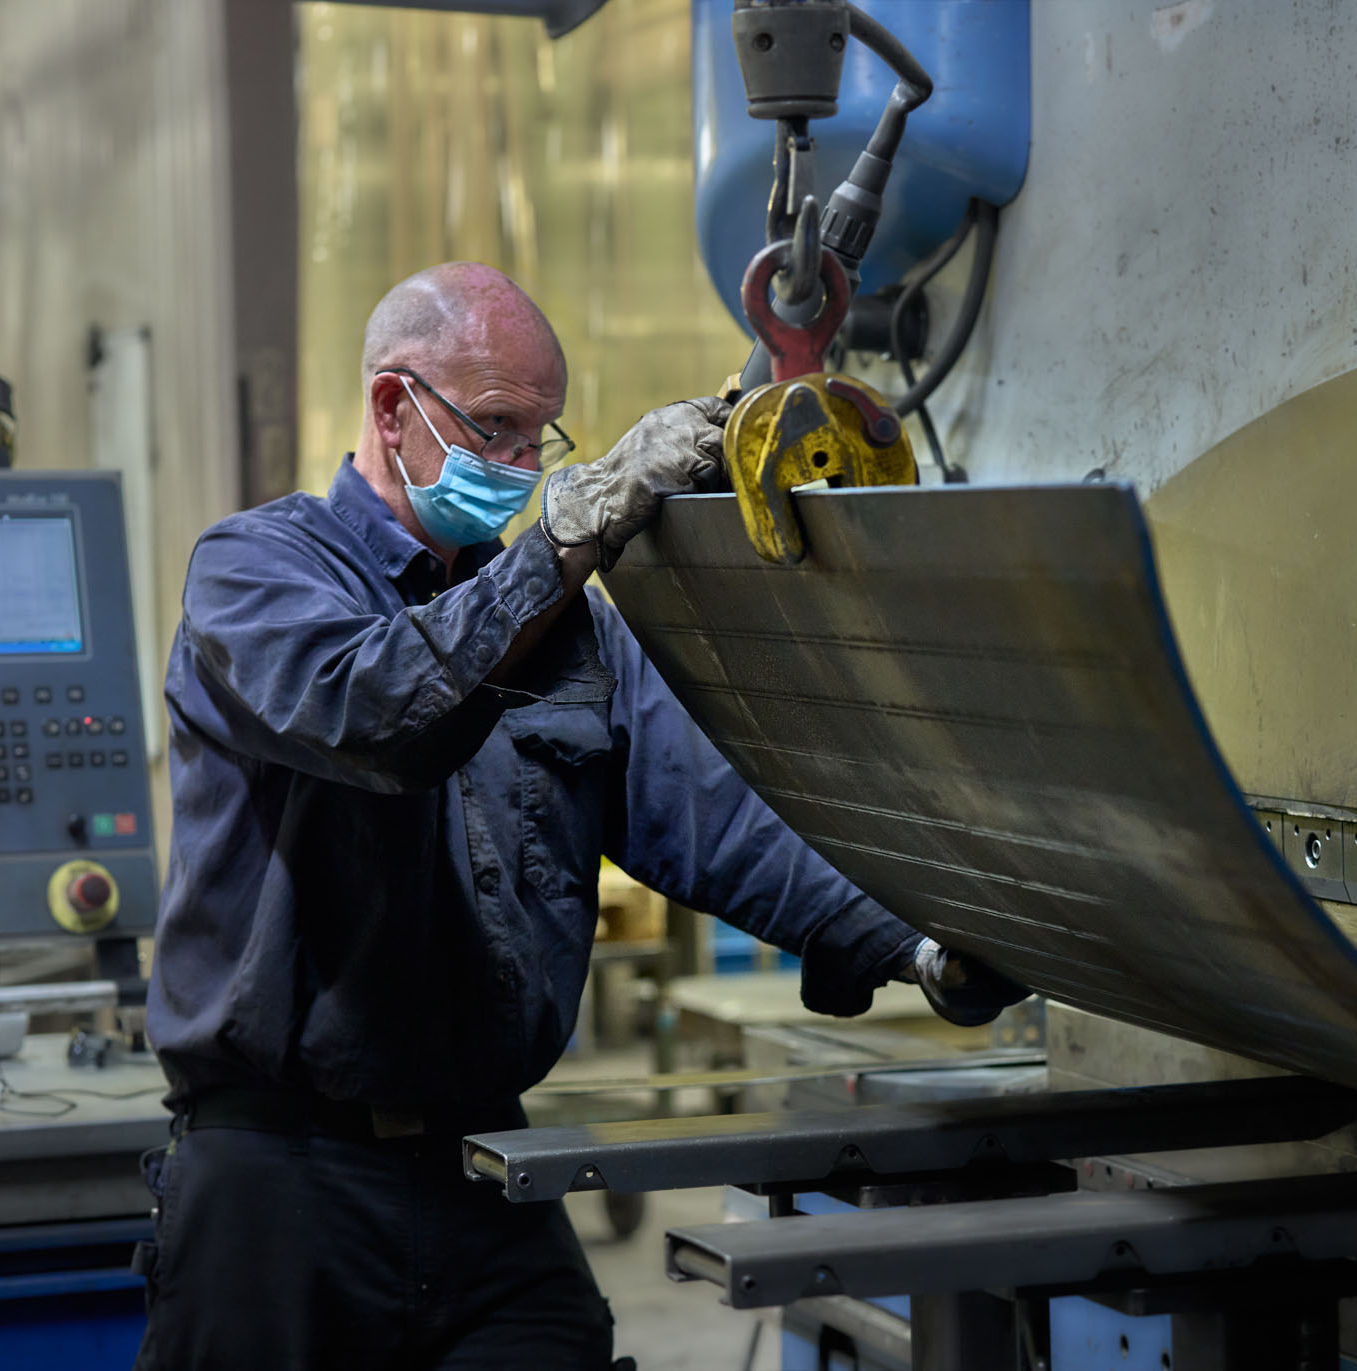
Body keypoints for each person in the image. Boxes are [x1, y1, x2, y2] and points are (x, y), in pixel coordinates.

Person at [134, 261, 1024, 1370]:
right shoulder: (257, 570)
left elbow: (713, 820)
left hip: (480, 1163)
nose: (515, 469)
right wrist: (565, 536)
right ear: (390, 408)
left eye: (539, 441)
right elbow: (380, 715)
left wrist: (923, 936)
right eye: (497, 429)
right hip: (280, 1178)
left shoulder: (566, 634)